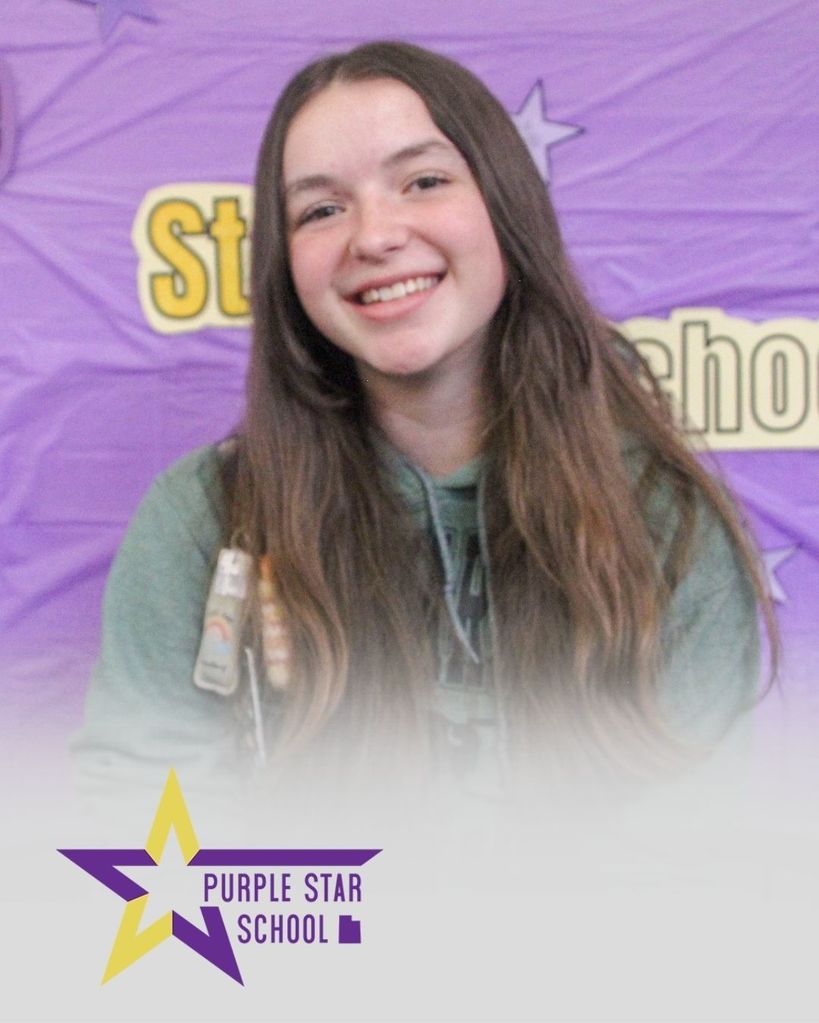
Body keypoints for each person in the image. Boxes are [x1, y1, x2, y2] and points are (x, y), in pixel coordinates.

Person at [73, 42, 775, 804]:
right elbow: (143, 846)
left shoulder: (667, 525)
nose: (373, 236)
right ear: (286, 265)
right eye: (321, 209)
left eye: (424, 181)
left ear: (506, 208)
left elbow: (697, 870)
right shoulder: (202, 521)